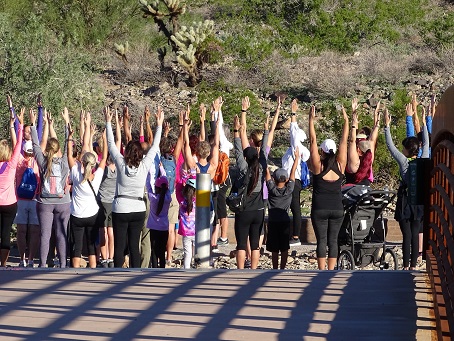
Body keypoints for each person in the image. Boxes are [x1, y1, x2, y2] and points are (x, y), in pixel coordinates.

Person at [105, 106, 163, 268]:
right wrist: (158, 125)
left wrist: (108, 123)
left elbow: (111, 144)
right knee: (133, 246)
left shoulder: (120, 163)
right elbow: (155, 146)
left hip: (120, 207)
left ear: (127, 151)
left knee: (119, 245)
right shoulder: (144, 165)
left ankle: (116, 274)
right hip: (138, 207)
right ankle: (136, 274)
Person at [384, 107, 429, 270]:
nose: (401, 150)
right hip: (418, 202)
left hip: (405, 202)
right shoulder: (424, 158)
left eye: (404, 148)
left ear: (408, 150)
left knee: (407, 235)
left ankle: (405, 265)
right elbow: (427, 144)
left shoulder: (404, 162)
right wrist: (424, 124)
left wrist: (386, 126)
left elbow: (390, 146)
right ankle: (413, 265)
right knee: (416, 232)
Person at [308, 105, 348, 270]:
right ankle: (331, 272)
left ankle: (322, 271)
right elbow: (345, 141)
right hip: (337, 209)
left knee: (322, 241)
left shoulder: (318, 166)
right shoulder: (340, 164)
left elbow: (312, 140)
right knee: (333, 240)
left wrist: (311, 120)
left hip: (320, 209)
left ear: (322, 151)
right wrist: (347, 120)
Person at [32, 108, 71, 268]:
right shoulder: (64, 162)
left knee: (45, 234)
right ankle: (62, 265)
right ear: (58, 148)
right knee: (61, 234)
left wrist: (34, 124)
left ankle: (42, 264)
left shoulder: (42, 161)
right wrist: (66, 122)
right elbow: (69, 144)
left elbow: (35, 144)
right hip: (63, 202)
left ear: (47, 148)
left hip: (44, 202)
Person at [67, 117, 108, 268]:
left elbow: (69, 155)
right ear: (93, 163)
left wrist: (70, 139)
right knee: (91, 246)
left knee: (76, 246)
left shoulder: (76, 174)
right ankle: (92, 270)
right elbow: (104, 159)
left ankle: (75, 271)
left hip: (77, 214)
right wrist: (105, 140)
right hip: (92, 215)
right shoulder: (96, 176)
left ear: (82, 162)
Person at [232, 109, 269, 270]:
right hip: (259, 209)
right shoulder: (261, 167)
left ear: (246, 158)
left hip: (244, 209)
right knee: (255, 244)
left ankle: (241, 270)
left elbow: (238, 150)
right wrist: (266, 130)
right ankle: (253, 269)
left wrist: (236, 131)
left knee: (241, 243)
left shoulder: (242, 168)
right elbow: (265, 152)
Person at [281, 99, 311, 246]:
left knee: (294, 208)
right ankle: (292, 235)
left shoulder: (296, 148)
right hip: (293, 181)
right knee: (293, 208)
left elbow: (293, 133)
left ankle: (295, 237)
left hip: (293, 181)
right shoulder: (300, 150)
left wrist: (293, 114)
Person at [265, 147, 299, 269]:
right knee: (284, 247)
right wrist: (297, 159)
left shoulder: (272, 189)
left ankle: (274, 268)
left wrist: (263, 157)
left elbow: (266, 173)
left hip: (273, 221)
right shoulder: (289, 189)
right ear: (286, 180)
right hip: (285, 220)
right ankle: (282, 268)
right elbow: (293, 172)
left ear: (274, 179)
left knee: (274, 248)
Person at [0, 109, 23, 267]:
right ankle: (3, 263)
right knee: (5, 233)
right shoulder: (11, 165)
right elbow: (18, 145)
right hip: (9, 204)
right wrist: (17, 125)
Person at [345, 98, 380, 186]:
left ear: (358, 148)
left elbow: (352, 141)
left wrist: (354, 117)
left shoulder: (354, 161)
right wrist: (377, 123)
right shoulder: (369, 158)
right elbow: (372, 140)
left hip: (351, 195)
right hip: (365, 192)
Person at [146, 173, 171, 268]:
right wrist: (162, 168)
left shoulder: (153, 198)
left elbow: (148, 185)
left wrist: (148, 173)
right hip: (164, 228)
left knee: (153, 250)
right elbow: (165, 178)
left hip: (153, 227)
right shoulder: (168, 198)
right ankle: (162, 268)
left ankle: (154, 268)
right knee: (161, 251)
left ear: (156, 188)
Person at [178, 177, 197, 269]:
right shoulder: (198, 201)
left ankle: (187, 270)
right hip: (196, 231)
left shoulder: (181, 201)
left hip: (186, 232)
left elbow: (178, 187)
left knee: (187, 253)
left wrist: (184, 177)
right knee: (196, 253)